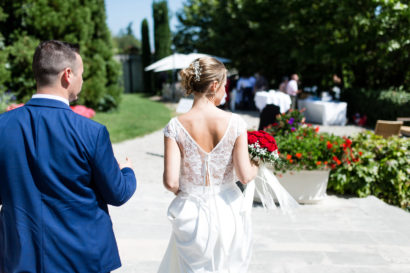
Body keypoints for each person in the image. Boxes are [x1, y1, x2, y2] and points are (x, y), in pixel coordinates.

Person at [0, 40, 137, 272]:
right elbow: (118, 193)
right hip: (80, 258)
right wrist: (127, 171)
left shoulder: (3, 125)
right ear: (67, 75)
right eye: (81, 74)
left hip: (20, 258)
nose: (82, 80)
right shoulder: (91, 132)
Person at [158, 57, 259, 272]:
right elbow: (244, 175)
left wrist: (187, 192)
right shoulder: (235, 123)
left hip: (190, 214)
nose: (225, 90)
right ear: (214, 86)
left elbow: (170, 181)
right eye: (224, 85)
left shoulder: (174, 126)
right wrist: (257, 163)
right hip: (228, 210)